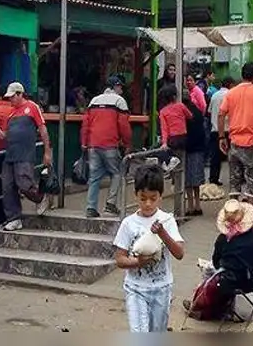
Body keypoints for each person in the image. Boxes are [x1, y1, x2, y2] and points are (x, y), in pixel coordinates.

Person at [113, 165, 186, 332]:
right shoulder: (128, 223)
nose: (148, 203)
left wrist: (162, 233)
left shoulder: (166, 220)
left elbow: (179, 253)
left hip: (161, 288)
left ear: (160, 196)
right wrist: (138, 262)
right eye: (143, 198)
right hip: (135, 288)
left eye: (153, 198)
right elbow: (120, 259)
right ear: (136, 195)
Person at [1, 82, 53, 231]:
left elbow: (42, 129)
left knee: (24, 183)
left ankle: (40, 197)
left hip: (25, 154)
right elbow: (9, 134)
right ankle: (14, 218)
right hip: (10, 154)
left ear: (20, 94)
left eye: (12, 97)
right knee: (7, 187)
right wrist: (2, 135)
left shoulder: (32, 107)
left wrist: (47, 151)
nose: (10, 100)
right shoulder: (11, 114)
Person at [218, 62, 253, 207]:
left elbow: (221, 114)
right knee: (252, 184)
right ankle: (250, 215)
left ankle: (232, 213)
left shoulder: (231, 93)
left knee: (234, 183)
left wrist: (221, 137)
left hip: (234, 143)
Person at [81, 75, 132, 218]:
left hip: (93, 144)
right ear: (115, 86)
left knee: (94, 177)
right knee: (117, 173)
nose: (122, 89)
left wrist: (84, 142)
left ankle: (91, 207)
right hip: (110, 144)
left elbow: (85, 124)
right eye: (120, 86)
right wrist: (127, 143)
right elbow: (124, 125)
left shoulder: (94, 101)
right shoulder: (119, 101)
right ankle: (110, 204)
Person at [184, 90, 208, 216]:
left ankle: (190, 206)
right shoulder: (197, 111)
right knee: (196, 179)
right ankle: (198, 205)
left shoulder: (183, 112)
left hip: (187, 148)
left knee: (187, 178)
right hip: (198, 148)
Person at [207, 78, 234, 186]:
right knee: (232, 156)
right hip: (228, 129)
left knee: (215, 157)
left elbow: (209, 111)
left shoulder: (214, 95)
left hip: (215, 130)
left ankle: (213, 178)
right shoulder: (231, 95)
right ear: (230, 85)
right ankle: (234, 179)